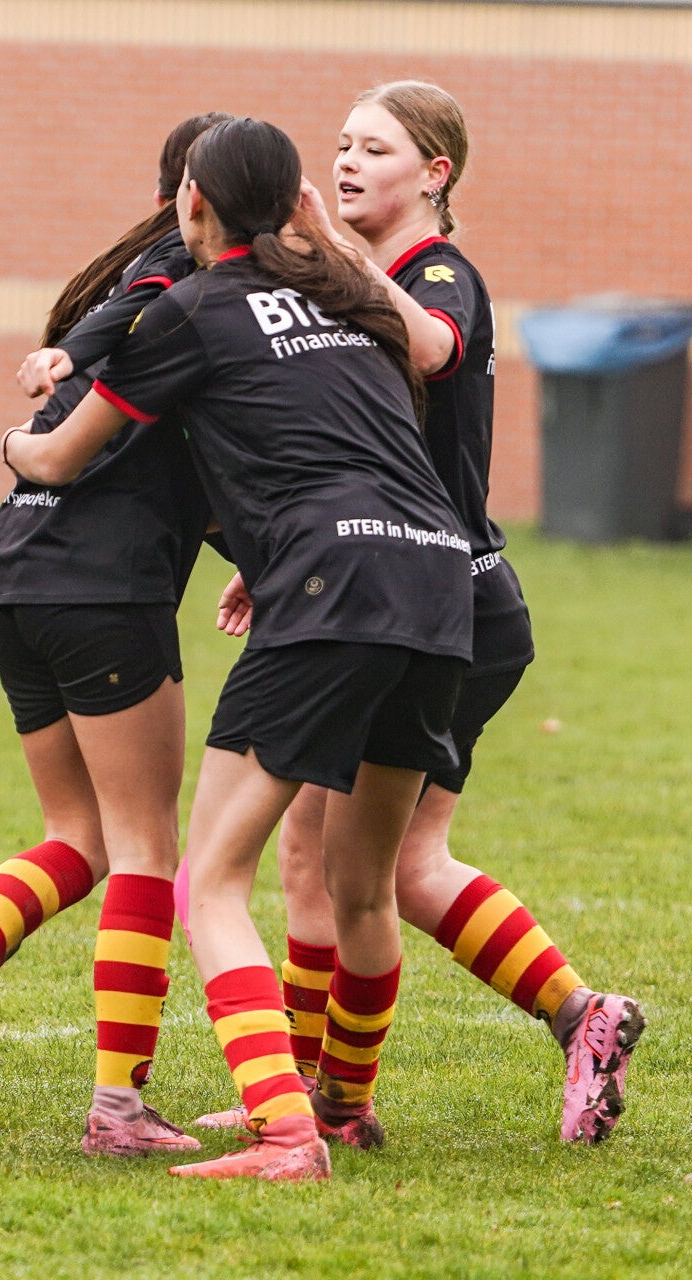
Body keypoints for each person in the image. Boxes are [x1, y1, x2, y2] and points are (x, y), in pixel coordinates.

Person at [8, 117, 476, 1182]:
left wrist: (11, 443)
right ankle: (340, 1104)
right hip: (438, 580)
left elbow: (62, 458)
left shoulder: (192, 307)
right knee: (364, 881)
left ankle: (286, 1132)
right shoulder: (351, 300)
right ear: (300, 203)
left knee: (211, 878)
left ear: (191, 205)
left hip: (333, 588)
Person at [194, 81, 643, 1146]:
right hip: (398, 585)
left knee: (378, 863)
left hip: (452, 597)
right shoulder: (371, 279)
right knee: (330, 859)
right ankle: (325, 1094)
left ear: (436, 173)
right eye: (342, 144)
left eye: (376, 149)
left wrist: (321, 249)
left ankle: (553, 1022)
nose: (347, 163)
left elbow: (433, 348)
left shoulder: (437, 274)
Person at [0, 113, 232, 1157]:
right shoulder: (188, 284)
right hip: (103, 590)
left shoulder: (126, 278)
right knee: (146, 846)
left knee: (78, 836)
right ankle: (119, 1107)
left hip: (14, 573)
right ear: (200, 197)